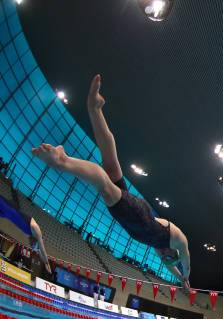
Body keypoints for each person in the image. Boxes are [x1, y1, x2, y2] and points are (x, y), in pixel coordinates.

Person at [32, 75, 191, 288]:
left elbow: (170, 266)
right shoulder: (179, 241)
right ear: (176, 254)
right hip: (137, 216)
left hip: (135, 221)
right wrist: (187, 274)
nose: (165, 256)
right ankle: (63, 161)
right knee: (104, 185)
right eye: (170, 257)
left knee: (110, 161)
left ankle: (95, 108)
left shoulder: (163, 251)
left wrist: (181, 280)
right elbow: (186, 262)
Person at [0, 195, 51, 274]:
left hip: (7, 215)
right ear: (36, 241)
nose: (30, 244)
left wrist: (44, 262)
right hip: (9, 210)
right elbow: (42, 250)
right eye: (32, 244)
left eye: (31, 246)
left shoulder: (30, 235)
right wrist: (47, 263)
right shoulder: (36, 231)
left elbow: (39, 251)